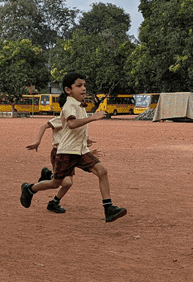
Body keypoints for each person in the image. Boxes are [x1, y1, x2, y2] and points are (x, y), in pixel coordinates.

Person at [20, 72, 127, 222]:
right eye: (79, 85)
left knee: (102, 171)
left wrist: (86, 141)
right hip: (66, 152)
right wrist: (93, 118)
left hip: (80, 151)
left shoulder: (79, 105)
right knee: (57, 183)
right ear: (68, 90)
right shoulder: (69, 105)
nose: (84, 88)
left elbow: (76, 129)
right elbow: (71, 124)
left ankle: (108, 208)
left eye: (84, 85)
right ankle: (30, 189)